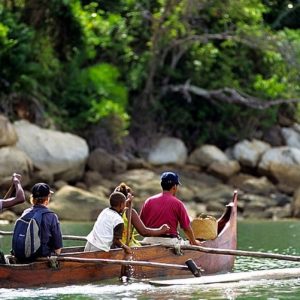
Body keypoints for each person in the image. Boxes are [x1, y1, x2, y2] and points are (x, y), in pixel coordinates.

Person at [140, 171, 202, 246]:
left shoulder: (148, 201)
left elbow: (141, 224)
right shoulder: (178, 203)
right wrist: (194, 241)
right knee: (189, 244)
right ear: (174, 187)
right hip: (169, 242)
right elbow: (186, 228)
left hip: (148, 241)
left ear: (162, 185)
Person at [17, 182, 63, 258]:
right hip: (41, 255)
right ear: (48, 198)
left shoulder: (25, 212)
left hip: (22, 253)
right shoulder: (51, 216)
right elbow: (58, 247)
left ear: (32, 197)